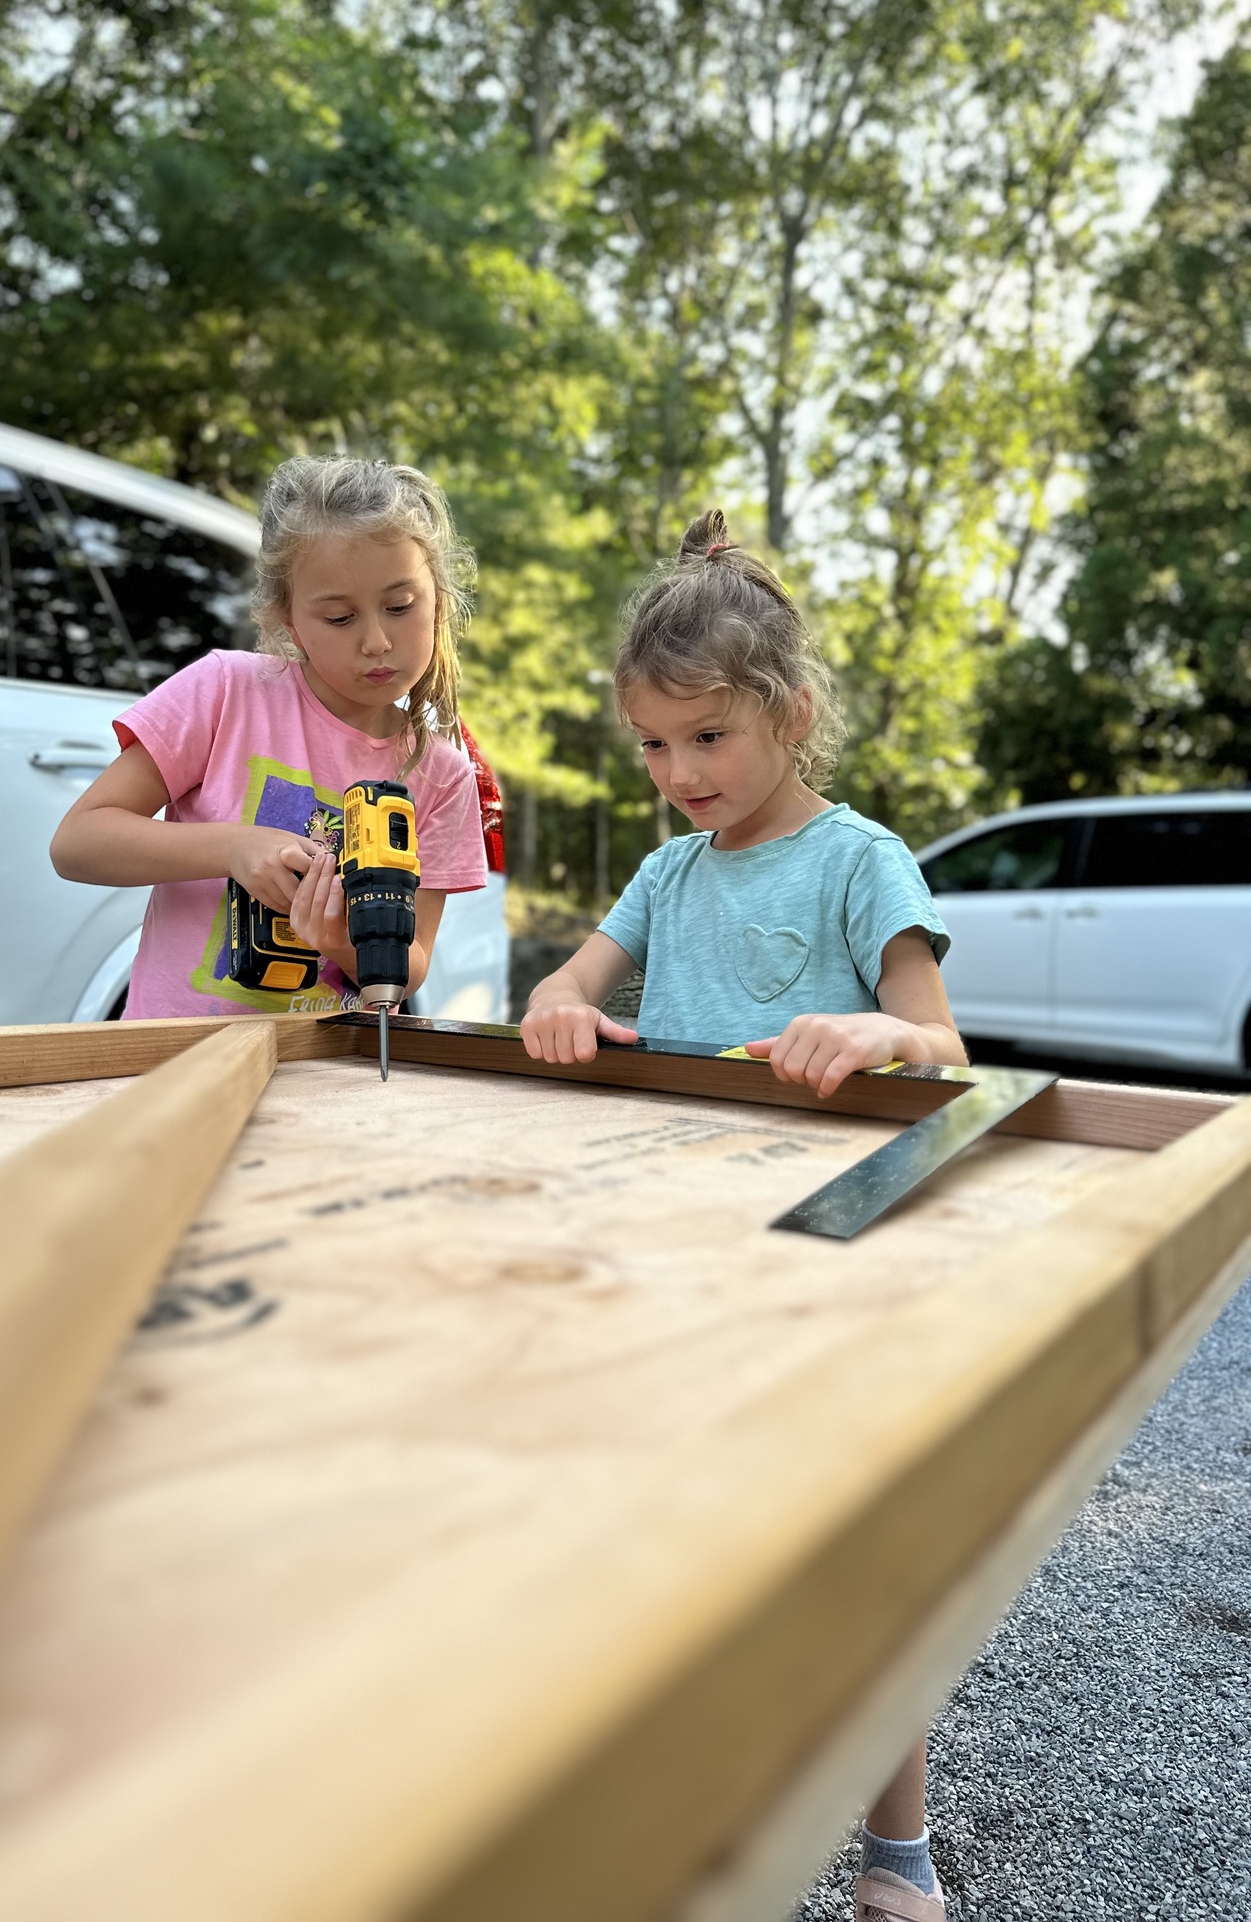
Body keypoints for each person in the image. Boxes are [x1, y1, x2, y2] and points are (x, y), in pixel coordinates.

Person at [521, 508, 962, 1922]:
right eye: (652, 746)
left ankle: (894, 1845)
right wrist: (560, 1008)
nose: (676, 774)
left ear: (791, 712)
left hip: (833, 1239)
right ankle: (691, 1807)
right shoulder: (664, 873)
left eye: (705, 738)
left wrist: (869, 1032)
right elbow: (566, 989)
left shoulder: (859, 862)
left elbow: (944, 1045)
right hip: (676, 1237)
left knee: (861, 1540)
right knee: (682, 1535)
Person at [50, 457, 487, 1019]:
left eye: (400, 607)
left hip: (324, 1078)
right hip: (173, 1060)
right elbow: (77, 843)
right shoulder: (226, 691)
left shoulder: (442, 774)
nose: (377, 641)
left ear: (440, 601)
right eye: (338, 618)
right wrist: (233, 847)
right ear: (287, 619)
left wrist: (340, 941)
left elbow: (411, 963)